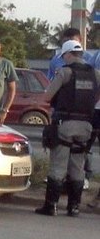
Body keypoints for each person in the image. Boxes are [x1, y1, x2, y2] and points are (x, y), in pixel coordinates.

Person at [35, 40, 100, 216]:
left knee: (58, 165)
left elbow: (47, 96)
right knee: (77, 167)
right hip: (86, 126)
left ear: (68, 54)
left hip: (66, 124)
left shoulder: (65, 72)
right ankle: (74, 207)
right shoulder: (96, 73)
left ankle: (51, 206)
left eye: (64, 56)